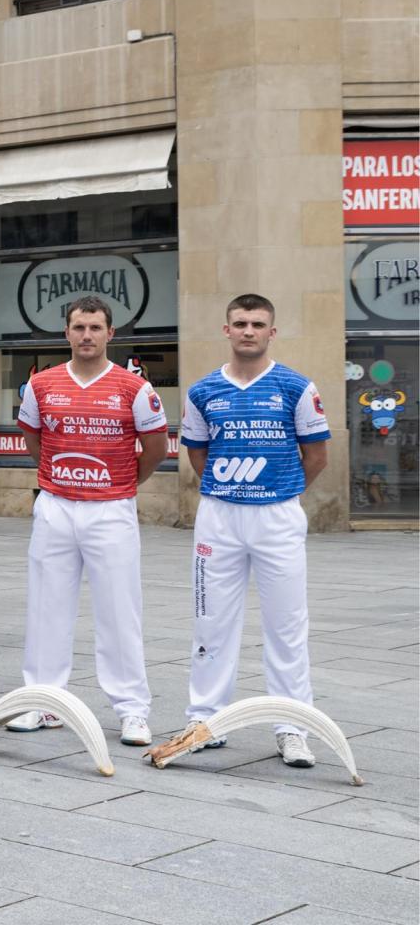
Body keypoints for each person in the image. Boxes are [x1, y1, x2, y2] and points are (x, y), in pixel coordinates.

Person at [179, 294, 330, 768]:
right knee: (211, 623)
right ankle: (206, 719)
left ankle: (292, 727)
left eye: (258, 323)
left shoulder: (296, 387)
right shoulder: (203, 391)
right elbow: (198, 454)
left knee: (286, 626)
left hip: (277, 517)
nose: (248, 330)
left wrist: (278, 490)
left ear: (272, 331)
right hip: (219, 515)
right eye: (240, 323)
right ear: (226, 330)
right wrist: (231, 489)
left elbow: (317, 456)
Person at [11, 295, 167, 744]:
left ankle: (132, 711)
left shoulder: (133, 388)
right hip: (56, 505)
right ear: (67, 332)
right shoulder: (41, 384)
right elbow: (34, 439)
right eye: (78, 327)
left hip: (111, 508)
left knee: (120, 611)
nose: (86, 335)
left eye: (95, 328)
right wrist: (61, 478)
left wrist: (119, 482)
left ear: (110, 333)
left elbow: (155, 448)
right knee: (46, 607)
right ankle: (42, 702)